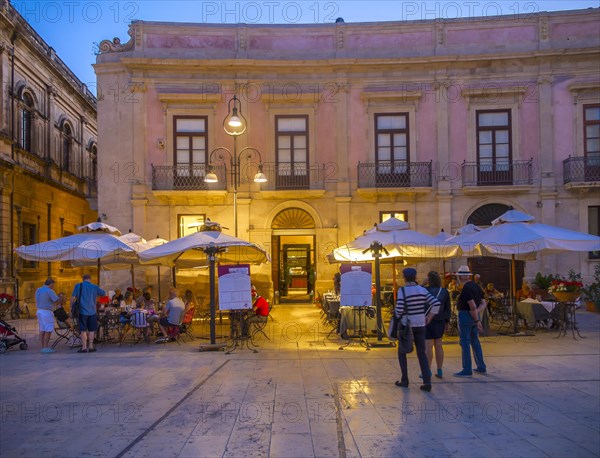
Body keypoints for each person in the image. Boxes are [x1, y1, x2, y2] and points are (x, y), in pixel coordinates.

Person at [394, 268, 441, 392]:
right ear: (415, 277)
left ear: (404, 277)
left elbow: (399, 309)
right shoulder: (422, 290)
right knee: (422, 353)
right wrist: (429, 317)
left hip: (407, 325)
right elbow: (436, 303)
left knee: (402, 352)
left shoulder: (402, 291)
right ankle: (427, 381)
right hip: (421, 324)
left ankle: (405, 379)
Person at [454, 266, 488, 377]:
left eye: (459, 276)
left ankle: (467, 369)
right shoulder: (476, 286)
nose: (458, 278)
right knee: (475, 341)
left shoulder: (466, 289)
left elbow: (472, 306)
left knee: (465, 342)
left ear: (462, 276)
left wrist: (476, 318)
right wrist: (477, 315)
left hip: (466, 315)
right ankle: (481, 366)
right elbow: (483, 303)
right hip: (473, 316)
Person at [424, 271, 451, 379]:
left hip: (428, 319)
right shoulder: (444, 291)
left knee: (428, 345)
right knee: (439, 344)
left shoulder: (424, 290)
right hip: (440, 320)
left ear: (429, 280)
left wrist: (422, 283)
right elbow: (447, 308)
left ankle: (428, 370)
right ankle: (439, 370)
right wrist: (447, 322)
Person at [71, 274, 106, 353]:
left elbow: (73, 298)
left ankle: (83, 347)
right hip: (92, 312)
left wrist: (71, 307)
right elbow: (103, 293)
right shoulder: (94, 286)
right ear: (90, 279)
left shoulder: (78, 286)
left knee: (83, 330)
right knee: (91, 330)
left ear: (83, 279)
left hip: (82, 312)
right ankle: (90, 346)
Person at [35, 278, 60, 353]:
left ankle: (42, 347)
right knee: (48, 329)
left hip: (39, 311)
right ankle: (46, 347)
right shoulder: (49, 290)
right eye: (53, 285)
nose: (53, 286)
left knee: (42, 329)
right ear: (50, 284)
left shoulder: (38, 289)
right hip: (46, 312)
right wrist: (60, 299)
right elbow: (56, 300)